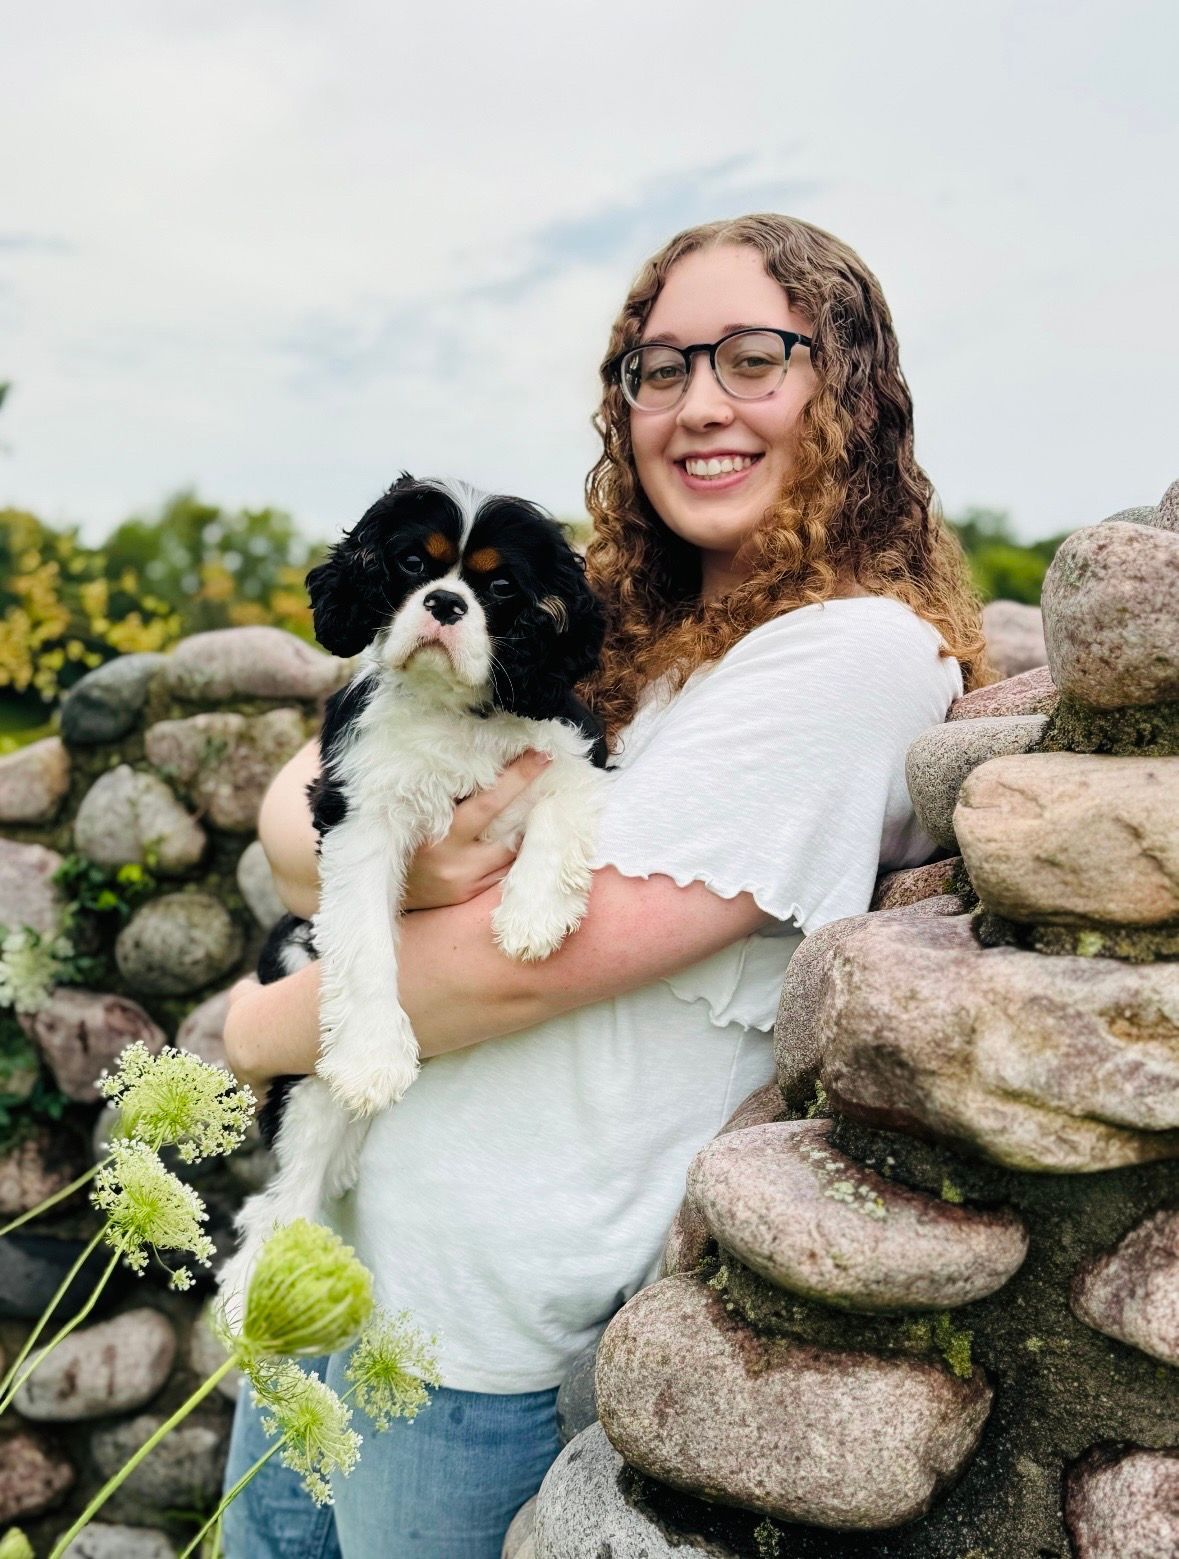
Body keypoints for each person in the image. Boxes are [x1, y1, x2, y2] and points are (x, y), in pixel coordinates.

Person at [219, 212, 990, 1558]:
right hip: (336, 1253)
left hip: (477, 1332)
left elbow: (544, 957)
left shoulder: (855, 653)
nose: (700, 406)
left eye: (755, 358)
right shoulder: (614, 625)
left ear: (850, 388)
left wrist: (251, 1026)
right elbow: (307, 791)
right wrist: (406, 867)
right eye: (660, 368)